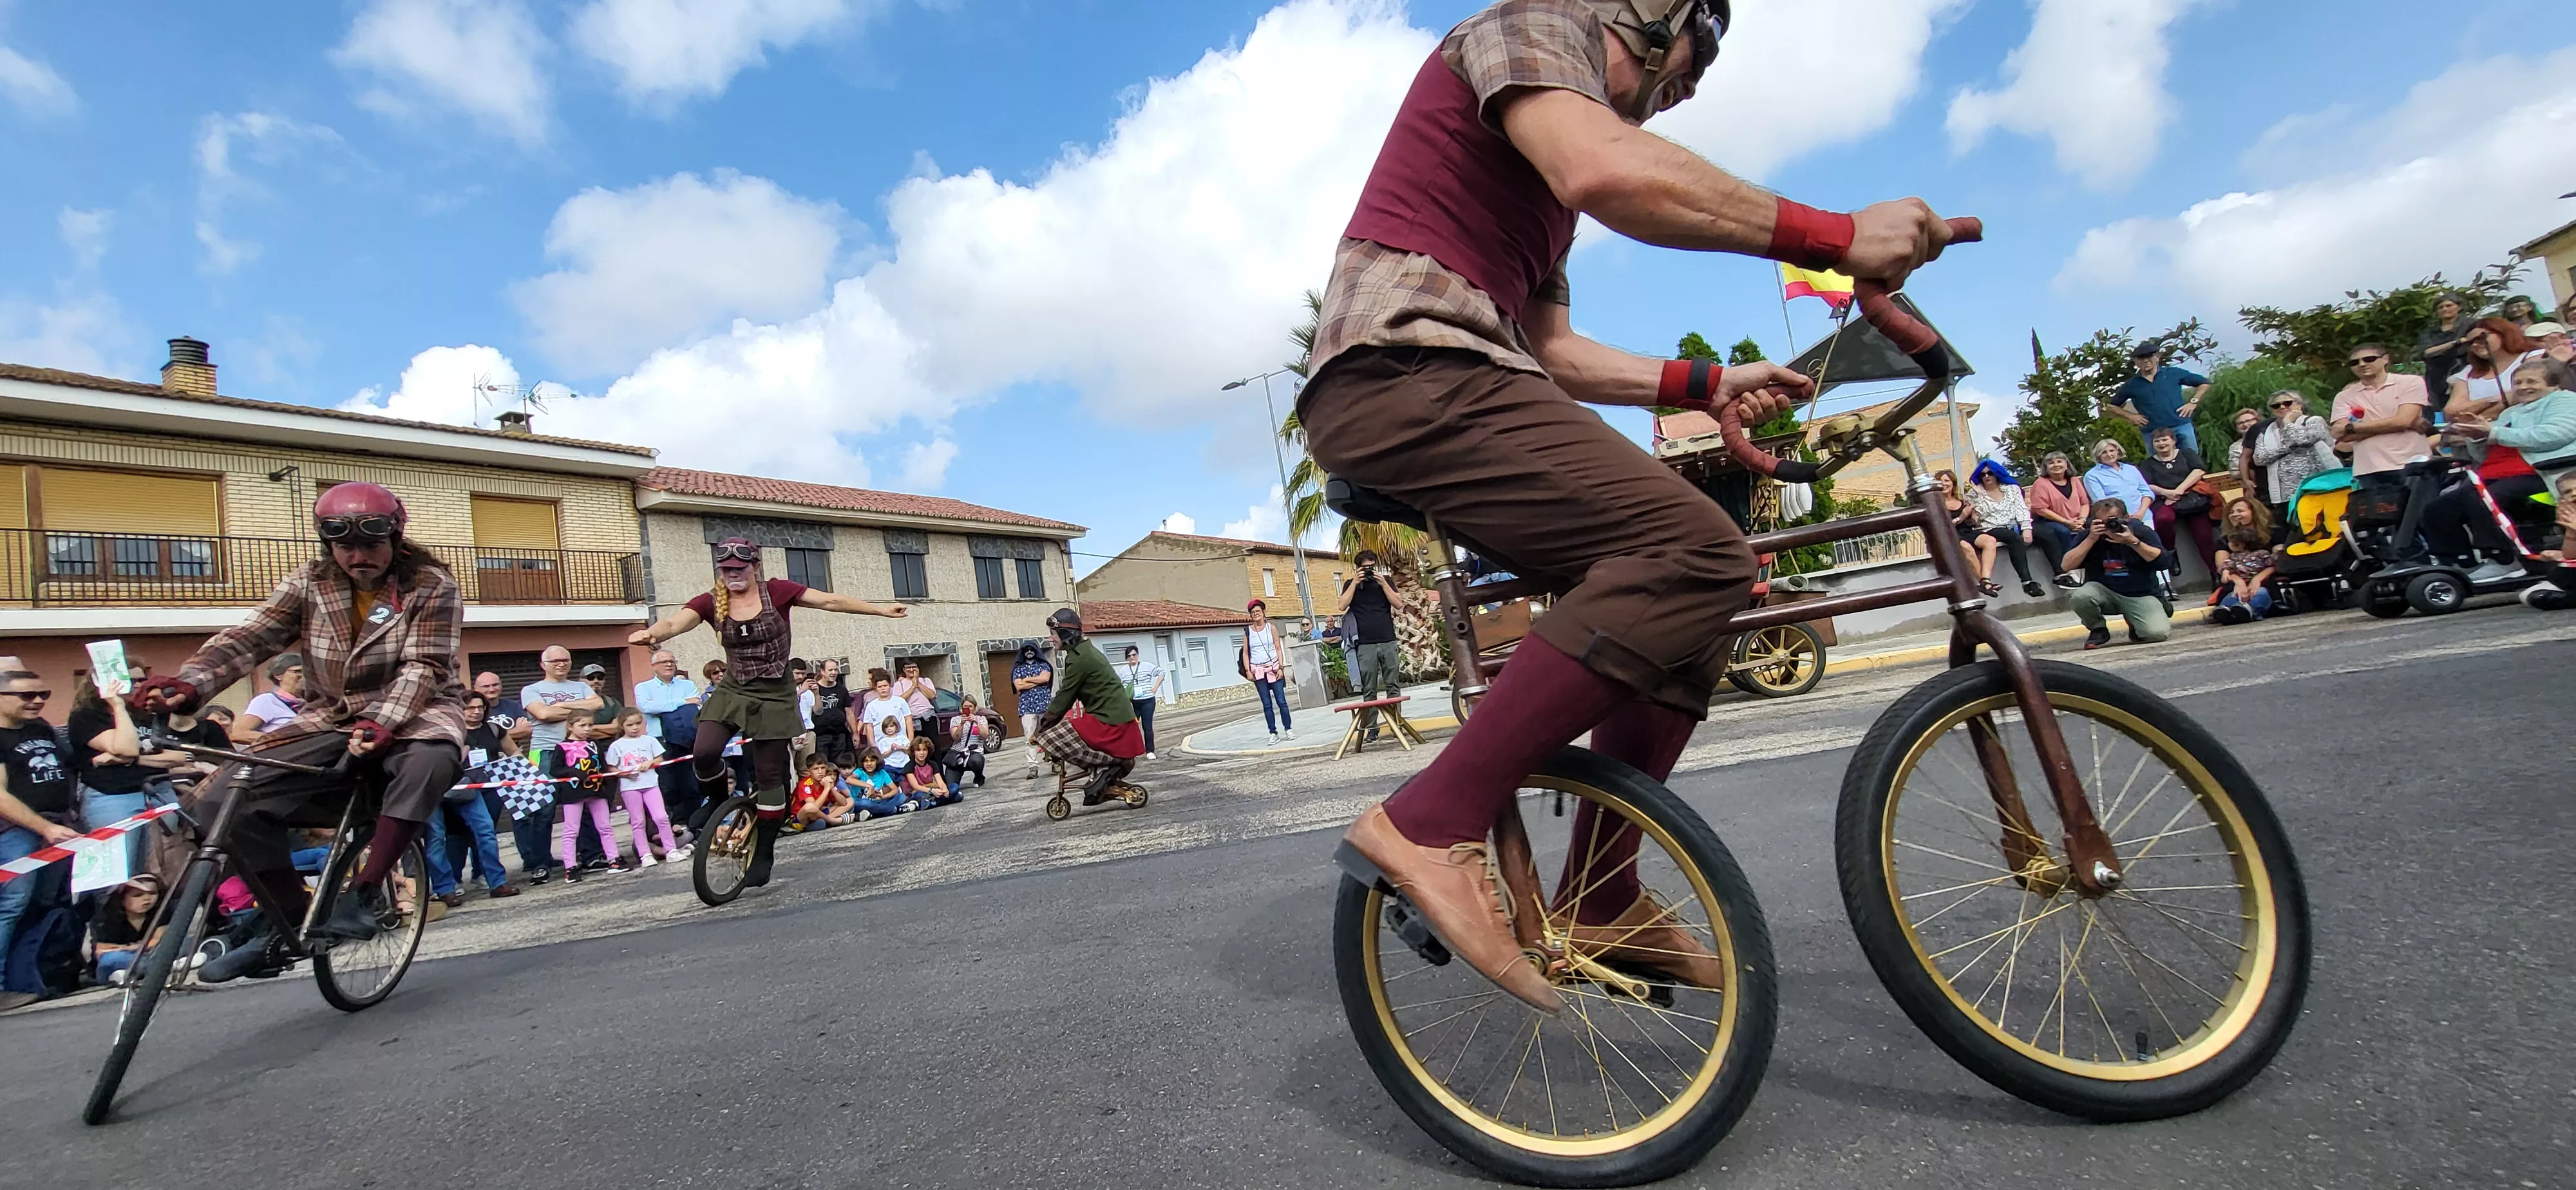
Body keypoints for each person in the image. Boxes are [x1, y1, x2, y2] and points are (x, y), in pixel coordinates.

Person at [1296, 0, 1945, 1011]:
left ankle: (1602, 895)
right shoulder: (1526, 29)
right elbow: (1605, 168)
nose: (1666, 103)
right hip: (1402, 367)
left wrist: (1705, 387)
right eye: (1680, 74)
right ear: (1644, 15)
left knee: (1688, 613)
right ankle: (1432, 820)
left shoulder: (1543, 192)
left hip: (1453, 373)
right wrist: (1840, 237)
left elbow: (1552, 352)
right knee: (1697, 551)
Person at [129, 482, 469, 984]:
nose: (359, 557)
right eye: (345, 547)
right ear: (328, 545)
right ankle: (286, 911)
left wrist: (385, 722)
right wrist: (188, 684)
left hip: (417, 707)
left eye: (371, 545)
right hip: (332, 713)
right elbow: (251, 637)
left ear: (395, 538)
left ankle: (366, 892)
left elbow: (423, 666)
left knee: (432, 758)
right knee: (217, 797)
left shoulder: (431, 585)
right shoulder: (308, 583)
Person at [625, 535, 909, 888]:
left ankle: (765, 851)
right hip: (734, 688)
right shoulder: (713, 601)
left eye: (740, 568)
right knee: (705, 752)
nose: (733, 575)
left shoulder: (777, 592)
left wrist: (880, 610)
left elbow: (831, 601)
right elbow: (675, 624)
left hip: (775, 693)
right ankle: (717, 800)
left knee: (770, 779)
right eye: (726, 569)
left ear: (755, 567)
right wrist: (650, 633)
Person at [2432, 358, 2576, 579]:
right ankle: (2459, 563)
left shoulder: (2565, 400)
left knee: (2482, 498)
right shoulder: (2511, 412)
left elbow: (2555, 435)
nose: (2524, 387)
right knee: (2440, 507)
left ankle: (2503, 560)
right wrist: (2476, 436)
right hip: (2494, 474)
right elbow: (2483, 453)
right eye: (2518, 383)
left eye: (2532, 381)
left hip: (2544, 473)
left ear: (2553, 384)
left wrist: (2493, 432)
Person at [0, 670, 77, 1010]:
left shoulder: (42, 728)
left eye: (43, 693)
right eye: (27, 696)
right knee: (11, 905)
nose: (37, 701)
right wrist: (43, 828)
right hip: (17, 832)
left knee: (42, 906)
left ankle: (30, 977)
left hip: (58, 824)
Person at [1031, 607, 1147, 806]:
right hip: (1114, 718)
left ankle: (1105, 767)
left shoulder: (1079, 659)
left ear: (1066, 634)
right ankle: (1103, 771)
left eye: (1054, 634)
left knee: (1058, 734)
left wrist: (1040, 730)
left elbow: (1064, 698)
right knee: (1068, 729)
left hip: (1111, 722)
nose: (1052, 639)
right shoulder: (1083, 652)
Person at [430, 692, 520, 905]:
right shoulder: (443, 727)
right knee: (436, 838)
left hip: (467, 787)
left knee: (486, 831)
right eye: (471, 708)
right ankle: (444, 890)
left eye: (480, 708)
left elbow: (514, 753)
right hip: (432, 788)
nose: (476, 712)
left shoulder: (491, 729)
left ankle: (497, 884)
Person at [2061, 498, 2170, 648]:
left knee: (2157, 634)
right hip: (2104, 592)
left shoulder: (2140, 531)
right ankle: (2098, 629)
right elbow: (2066, 565)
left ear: (2126, 518)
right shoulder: (2090, 535)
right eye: (2102, 522)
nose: (2109, 526)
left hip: (2141, 593)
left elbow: (2164, 562)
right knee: (2080, 595)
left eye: (2113, 521)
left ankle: (2138, 624)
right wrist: (2092, 538)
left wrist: (2133, 542)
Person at [2332, 343, 2433, 495]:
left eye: (2369, 359)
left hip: (2414, 463)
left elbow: (2403, 421)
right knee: (2378, 518)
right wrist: (2401, 423)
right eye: (2355, 362)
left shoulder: (2411, 382)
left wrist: (2352, 428)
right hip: (2369, 469)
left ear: (2386, 359)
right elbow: (2341, 435)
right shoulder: (2344, 396)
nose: (2362, 364)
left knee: (2420, 516)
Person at [632, 649, 704, 835]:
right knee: (667, 786)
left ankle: (693, 825)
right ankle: (669, 828)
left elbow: (695, 704)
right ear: (654, 666)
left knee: (690, 785)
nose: (669, 665)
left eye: (672, 661)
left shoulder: (687, 684)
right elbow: (647, 707)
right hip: (660, 741)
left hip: (686, 739)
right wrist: (680, 702)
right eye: (664, 662)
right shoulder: (643, 687)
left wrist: (665, 706)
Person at [2247, 390, 2333, 540]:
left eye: (2287, 403)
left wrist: (2288, 424)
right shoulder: (2266, 431)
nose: (2282, 407)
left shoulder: (2313, 421)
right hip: (2284, 496)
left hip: (2315, 488)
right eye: (2276, 405)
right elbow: (2259, 458)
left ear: (2299, 405)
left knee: (2321, 532)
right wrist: (2288, 448)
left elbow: (2300, 440)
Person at [2137, 426, 2219, 583]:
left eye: (2165, 440)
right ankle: (2171, 553)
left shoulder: (2187, 454)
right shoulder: (2147, 464)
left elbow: (2199, 471)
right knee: (2163, 519)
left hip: (2192, 499)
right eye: (2157, 441)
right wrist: (2168, 493)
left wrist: (2178, 491)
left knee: (2204, 536)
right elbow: (2147, 484)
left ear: (2173, 441)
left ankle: (2215, 574)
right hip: (2165, 500)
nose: (2161, 444)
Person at [1337, 551, 1404, 741]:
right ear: (1358, 568)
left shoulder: (1386, 581)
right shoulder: (1351, 585)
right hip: (1365, 643)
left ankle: (1397, 722)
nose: (1369, 571)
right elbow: (1342, 606)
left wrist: (1383, 583)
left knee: (1393, 684)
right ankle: (1372, 728)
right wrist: (1356, 583)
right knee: (1369, 688)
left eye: (1372, 567)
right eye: (1365, 568)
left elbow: (1398, 604)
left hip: (1387, 640)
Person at [2106, 341, 2211, 455]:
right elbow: (2111, 406)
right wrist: (2131, 416)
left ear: (2157, 357)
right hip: (2153, 433)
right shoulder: (2131, 385)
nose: (2146, 360)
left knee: (2192, 460)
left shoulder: (2173, 373)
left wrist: (2193, 402)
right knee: (2158, 467)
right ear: (2136, 362)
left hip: (2181, 426)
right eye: (2141, 358)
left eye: (2149, 356)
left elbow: (2205, 383)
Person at [604, 708, 679, 866]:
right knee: (638, 821)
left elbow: (659, 758)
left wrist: (650, 763)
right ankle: (645, 854)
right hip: (630, 787)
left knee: (661, 817)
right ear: (622, 726)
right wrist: (624, 774)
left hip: (651, 784)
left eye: (638, 723)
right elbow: (611, 768)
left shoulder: (649, 740)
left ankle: (671, 849)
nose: (635, 728)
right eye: (630, 725)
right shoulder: (617, 745)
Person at [1960, 460, 2042, 598]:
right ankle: (2027, 582)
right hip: (1990, 529)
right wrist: (1980, 497)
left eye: (1990, 473)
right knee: (2011, 537)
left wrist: (2027, 528)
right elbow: (1978, 519)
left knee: (2046, 533)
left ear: (1997, 474)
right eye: (1983, 475)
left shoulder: (2012, 489)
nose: (1987, 477)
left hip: (2014, 527)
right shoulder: (1974, 495)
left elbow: (2021, 509)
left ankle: (2061, 573)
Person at [2025, 451, 2090, 589]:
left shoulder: (2074, 481)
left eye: (2060, 461)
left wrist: (2082, 520)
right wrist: (2067, 522)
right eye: (2051, 463)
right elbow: (2041, 509)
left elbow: (2085, 503)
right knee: (2062, 531)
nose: (2056, 465)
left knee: (2095, 527)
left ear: (2066, 465)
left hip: (2076, 520)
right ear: (2046, 468)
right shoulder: (2041, 483)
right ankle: (2064, 572)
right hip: (2046, 521)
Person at [2447, 319, 2535, 420]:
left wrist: (2478, 418)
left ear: (2502, 333)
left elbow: (2522, 395)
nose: (2475, 345)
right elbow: (2450, 411)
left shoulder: (2531, 357)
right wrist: (2492, 400)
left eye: (2481, 338)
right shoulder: (2468, 372)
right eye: (2470, 343)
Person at [86, 875, 164, 987]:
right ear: (122, 899)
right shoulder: (105, 919)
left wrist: (132, 948)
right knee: (110, 960)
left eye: (153, 894)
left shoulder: (161, 912)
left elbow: (160, 939)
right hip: (119, 958)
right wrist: (132, 948)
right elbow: (101, 951)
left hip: (148, 953)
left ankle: (141, 969)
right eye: (138, 895)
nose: (147, 899)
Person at [2210, 500, 2277, 625]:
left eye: (2240, 511)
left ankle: (2250, 611)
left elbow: (2274, 565)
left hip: (2264, 583)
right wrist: (2238, 581)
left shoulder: (2271, 537)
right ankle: (2224, 611)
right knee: (2232, 595)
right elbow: (2224, 567)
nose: (2235, 515)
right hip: (2236, 584)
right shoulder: (2225, 542)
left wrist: (2257, 580)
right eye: (2231, 512)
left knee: (2261, 593)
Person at [1239, 600, 1295, 744]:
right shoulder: (1248, 631)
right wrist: (1248, 671)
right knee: (1267, 703)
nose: (1255, 614)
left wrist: (1281, 667)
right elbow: (1246, 653)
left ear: (1264, 612)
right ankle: (1273, 732)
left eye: (1258, 611)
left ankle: (1288, 729)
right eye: (1253, 613)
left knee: (1282, 701)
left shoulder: (1272, 628)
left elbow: (1278, 648)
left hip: (1274, 669)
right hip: (1257, 671)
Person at [2519, 471, 2576, 610]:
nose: (2574, 494)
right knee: (2528, 595)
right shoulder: (2570, 516)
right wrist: (2572, 532)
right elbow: (2571, 557)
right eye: (2568, 492)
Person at [2415, 292, 2476, 402]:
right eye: (2441, 307)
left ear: (2459, 307)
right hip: (2436, 373)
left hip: (2464, 368)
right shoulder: (2430, 331)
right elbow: (2427, 352)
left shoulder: (2471, 324)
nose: (2445, 309)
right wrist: (2455, 343)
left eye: (2449, 305)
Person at [233, 654, 306, 741]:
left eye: (306, 672)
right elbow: (239, 734)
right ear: (278, 675)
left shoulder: (308, 704)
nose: (304, 676)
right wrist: (283, 740)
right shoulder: (267, 700)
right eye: (297, 671)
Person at [1112, 645, 1166, 759]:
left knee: (1147, 726)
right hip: (1133, 702)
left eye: (1134, 655)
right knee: (1131, 726)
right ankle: (1131, 750)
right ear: (1126, 658)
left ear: (1137, 655)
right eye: (1129, 656)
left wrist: (1155, 688)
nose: (1132, 657)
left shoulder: (1146, 666)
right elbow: (1119, 684)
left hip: (1147, 701)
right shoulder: (1123, 670)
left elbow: (1161, 673)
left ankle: (1150, 751)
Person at [1009, 643, 1052, 780]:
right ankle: (1033, 767)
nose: (1029, 652)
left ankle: (1054, 762)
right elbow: (1018, 686)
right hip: (1027, 708)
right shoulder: (1018, 669)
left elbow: (1046, 678)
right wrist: (1037, 681)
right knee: (1029, 738)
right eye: (1026, 650)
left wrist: (1027, 680)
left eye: (1031, 650)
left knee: (1049, 736)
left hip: (1044, 706)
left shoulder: (1044, 666)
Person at [857, 668, 913, 773]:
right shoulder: (872, 705)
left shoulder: (900, 702)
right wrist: (874, 745)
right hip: (881, 746)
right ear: (876, 688)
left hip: (901, 744)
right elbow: (869, 726)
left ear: (890, 686)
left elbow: (908, 719)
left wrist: (910, 740)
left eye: (885, 686)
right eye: (880, 687)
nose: (883, 689)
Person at [2082, 439, 2154, 518]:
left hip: (2144, 516)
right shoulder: (2092, 476)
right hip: (2118, 520)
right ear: (2098, 455)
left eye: (2112, 451)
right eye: (2104, 452)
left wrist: (2141, 513)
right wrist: (2126, 517)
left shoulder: (2132, 469)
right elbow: (2102, 504)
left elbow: (2147, 493)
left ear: (2118, 451)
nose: (2109, 454)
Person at [942, 695, 1000, 789]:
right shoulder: (955, 720)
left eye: (970, 707)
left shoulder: (982, 719)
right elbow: (956, 737)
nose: (968, 709)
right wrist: (961, 724)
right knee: (950, 786)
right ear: (961, 708)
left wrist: (977, 722)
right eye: (965, 707)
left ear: (975, 708)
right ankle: (957, 773)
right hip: (958, 753)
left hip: (974, 752)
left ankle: (979, 776)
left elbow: (985, 735)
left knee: (976, 761)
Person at [807, 659, 853, 766]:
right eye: (830, 670)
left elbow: (849, 712)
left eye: (836, 670)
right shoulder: (813, 690)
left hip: (839, 734)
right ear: (822, 672)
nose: (834, 673)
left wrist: (855, 733)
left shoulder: (842, 689)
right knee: (821, 765)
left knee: (840, 765)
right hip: (820, 734)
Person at [842, 748, 910, 819]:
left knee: (901, 797)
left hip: (879, 802)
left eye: (872, 761)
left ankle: (875, 814)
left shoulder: (882, 773)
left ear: (877, 762)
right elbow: (849, 780)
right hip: (862, 803)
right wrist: (869, 786)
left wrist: (884, 796)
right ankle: (894, 810)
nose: (869, 764)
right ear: (863, 763)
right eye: (866, 761)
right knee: (864, 803)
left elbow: (895, 789)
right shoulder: (860, 772)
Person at [790, 760, 855, 830]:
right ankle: (832, 821)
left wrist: (831, 788)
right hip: (802, 818)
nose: (820, 772)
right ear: (809, 771)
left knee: (850, 800)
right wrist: (827, 789)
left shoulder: (825, 782)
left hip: (819, 815)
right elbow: (814, 808)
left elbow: (844, 803)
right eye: (816, 769)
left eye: (823, 768)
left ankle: (829, 819)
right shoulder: (804, 784)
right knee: (810, 808)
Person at [890, 659, 940, 738]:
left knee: (933, 745)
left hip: (928, 717)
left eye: (914, 667)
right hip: (911, 720)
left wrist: (918, 683)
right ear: (904, 670)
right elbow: (899, 701)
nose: (911, 670)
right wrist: (913, 687)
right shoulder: (899, 684)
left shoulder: (926, 681)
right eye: (908, 667)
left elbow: (932, 696)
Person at [904, 736, 959, 807]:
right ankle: (948, 800)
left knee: (955, 786)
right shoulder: (909, 766)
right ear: (914, 752)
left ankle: (933, 803)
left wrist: (945, 790)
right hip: (920, 792)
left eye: (924, 750)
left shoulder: (932, 764)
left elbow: (940, 782)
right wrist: (932, 791)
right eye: (918, 750)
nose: (922, 753)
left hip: (934, 790)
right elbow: (916, 787)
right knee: (918, 795)